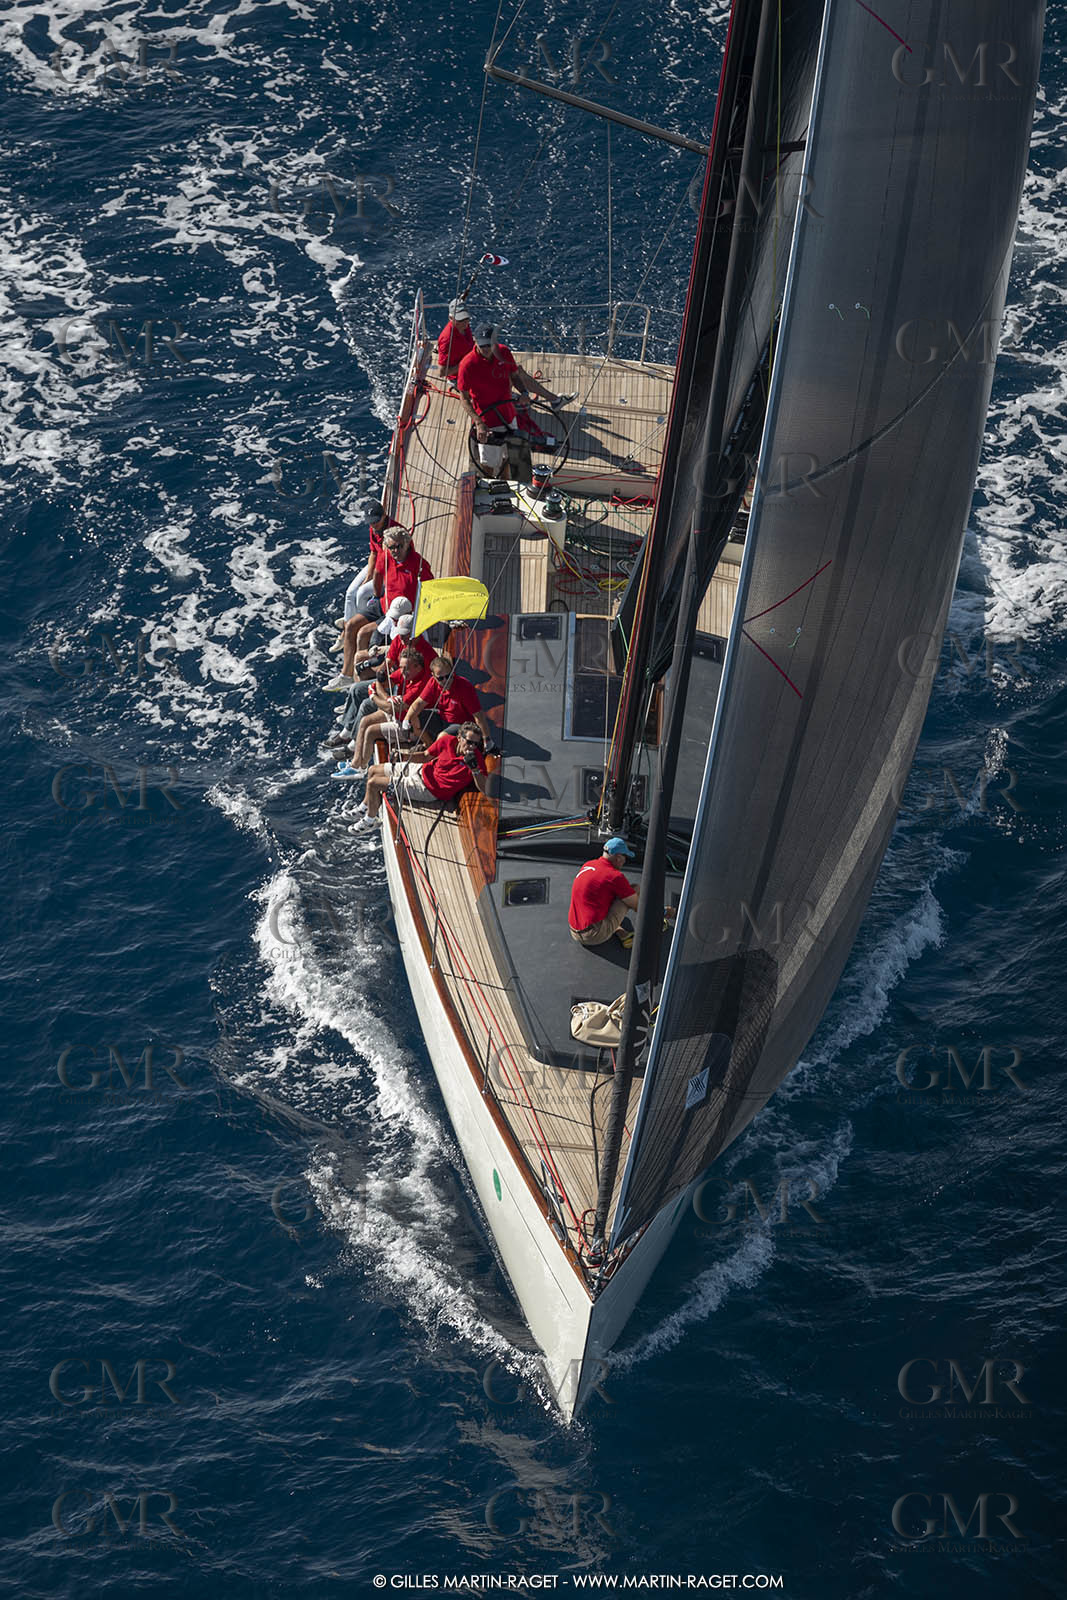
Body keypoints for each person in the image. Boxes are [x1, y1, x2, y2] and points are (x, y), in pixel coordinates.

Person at [456, 323, 571, 472]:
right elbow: (464, 398)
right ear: (475, 341)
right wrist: (478, 423)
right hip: (487, 421)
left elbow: (514, 375)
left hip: (509, 416)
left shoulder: (504, 352)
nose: (486, 349)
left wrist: (524, 392)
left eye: (489, 345)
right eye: (482, 345)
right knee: (489, 464)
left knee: (508, 458)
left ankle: (506, 483)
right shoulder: (467, 365)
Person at [352, 722, 490, 828]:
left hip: (427, 789)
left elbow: (484, 788)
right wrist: (404, 756)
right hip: (421, 770)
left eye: (475, 744)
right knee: (373, 770)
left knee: (374, 783)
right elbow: (425, 756)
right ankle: (365, 806)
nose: (472, 747)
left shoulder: (476, 760)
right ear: (459, 738)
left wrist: (475, 769)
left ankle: (370, 820)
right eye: (469, 742)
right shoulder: (447, 741)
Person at [326, 502, 402, 692]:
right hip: (380, 585)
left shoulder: (396, 539)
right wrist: (369, 579)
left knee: (361, 618)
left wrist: (376, 587)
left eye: (376, 521)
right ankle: (345, 674)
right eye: (371, 522)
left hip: (391, 598)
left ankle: (357, 680)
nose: (374, 525)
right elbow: (374, 555)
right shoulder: (375, 531)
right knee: (354, 598)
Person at [348, 646, 432, 769]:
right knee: (365, 721)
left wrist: (373, 697)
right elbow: (379, 683)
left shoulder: (420, 685)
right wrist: (388, 698)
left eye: (406, 668)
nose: (402, 671)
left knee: (370, 731)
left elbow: (390, 708)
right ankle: (355, 762)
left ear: (418, 667)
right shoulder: (406, 674)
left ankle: (361, 767)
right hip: (396, 715)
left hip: (410, 726)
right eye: (401, 667)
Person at [354, 526, 435, 653]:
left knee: (363, 633)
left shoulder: (419, 564)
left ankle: (369, 665)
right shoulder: (386, 557)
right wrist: (376, 595)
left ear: (407, 544)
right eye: (391, 547)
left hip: (402, 614)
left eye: (399, 546)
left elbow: (430, 588)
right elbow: (378, 573)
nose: (395, 551)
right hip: (384, 605)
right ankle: (349, 671)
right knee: (351, 626)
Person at [403, 653, 494, 748]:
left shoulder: (465, 687)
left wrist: (487, 739)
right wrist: (406, 720)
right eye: (441, 678)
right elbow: (419, 703)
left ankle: (433, 755)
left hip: (461, 725)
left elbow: (479, 716)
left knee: (441, 737)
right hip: (442, 719)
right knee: (414, 717)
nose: (446, 680)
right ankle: (429, 745)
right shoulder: (433, 683)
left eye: (449, 675)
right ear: (433, 676)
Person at [568, 838, 640, 947]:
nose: (625, 861)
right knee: (634, 890)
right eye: (625, 857)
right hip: (594, 936)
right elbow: (636, 905)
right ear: (618, 858)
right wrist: (660, 913)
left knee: (610, 893)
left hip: (574, 931)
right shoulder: (615, 876)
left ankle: (617, 929)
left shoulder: (588, 865)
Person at [436, 300, 474, 376]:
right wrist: (465, 363)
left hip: (472, 360)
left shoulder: (463, 325)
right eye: (460, 319)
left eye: (466, 318)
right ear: (451, 318)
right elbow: (442, 372)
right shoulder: (447, 340)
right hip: (460, 374)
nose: (465, 323)